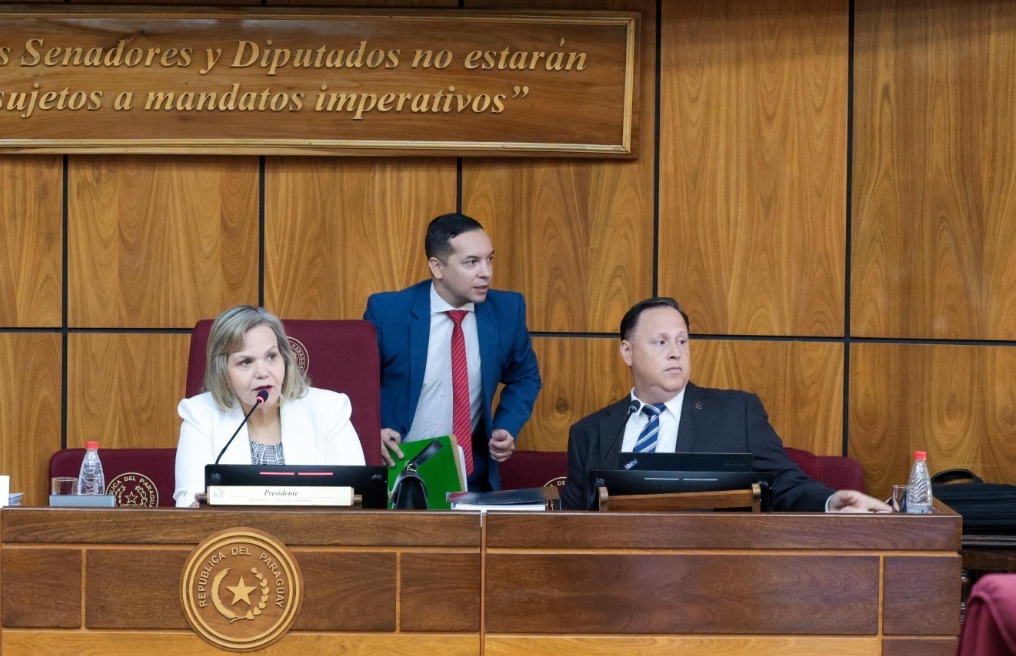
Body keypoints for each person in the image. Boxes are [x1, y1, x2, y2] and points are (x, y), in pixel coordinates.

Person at [563, 297, 890, 512]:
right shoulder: (590, 433)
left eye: (682, 341)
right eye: (661, 342)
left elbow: (784, 482)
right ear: (627, 352)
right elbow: (572, 523)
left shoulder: (736, 414)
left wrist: (832, 501)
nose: (676, 352)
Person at [364, 213, 541, 492]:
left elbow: (526, 377)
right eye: (472, 262)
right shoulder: (388, 313)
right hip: (397, 470)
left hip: (471, 478)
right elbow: (358, 384)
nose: (487, 272)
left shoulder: (507, 311)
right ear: (437, 267)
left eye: (489, 259)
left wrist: (506, 426)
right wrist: (371, 430)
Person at [174, 306, 363, 508]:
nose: (263, 372)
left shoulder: (328, 410)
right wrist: (196, 505)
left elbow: (359, 497)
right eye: (245, 362)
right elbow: (188, 500)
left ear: (285, 359)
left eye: (271, 356)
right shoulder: (200, 414)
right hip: (233, 537)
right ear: (223, 372)